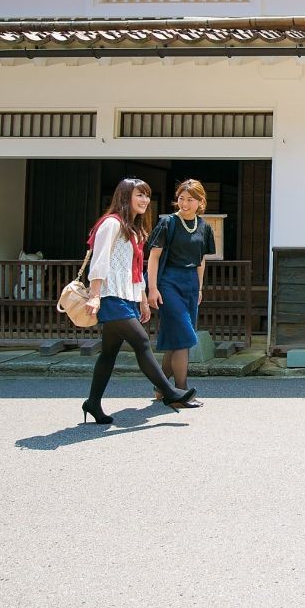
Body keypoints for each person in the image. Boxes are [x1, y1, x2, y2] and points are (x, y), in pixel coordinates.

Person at [80, 177, 198, 425]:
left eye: (146, 195)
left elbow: (135, 269)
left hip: (127, 297)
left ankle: (92, 402)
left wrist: (142, 299)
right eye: (139, 195)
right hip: (111, 296)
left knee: (109, 353)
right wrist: (94, 296)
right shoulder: (111, 224)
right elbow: (99, 261)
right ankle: (169, 391)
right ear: (125, 198)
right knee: (142, 342)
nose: (145, 200)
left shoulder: (133, 229)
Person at [147, 179, 214, 407]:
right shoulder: (168, 223)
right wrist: (153, 288)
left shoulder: (204, 226)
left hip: (191, 285)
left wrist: (200, 287)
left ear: (200, 202)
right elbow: (154, 257)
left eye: (190, 199)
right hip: (168, 283)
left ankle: (161, 387)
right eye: (181, 198)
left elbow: (201, 260)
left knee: (176, 339)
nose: (184, 203)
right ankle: (180, 393)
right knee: (184, 336)